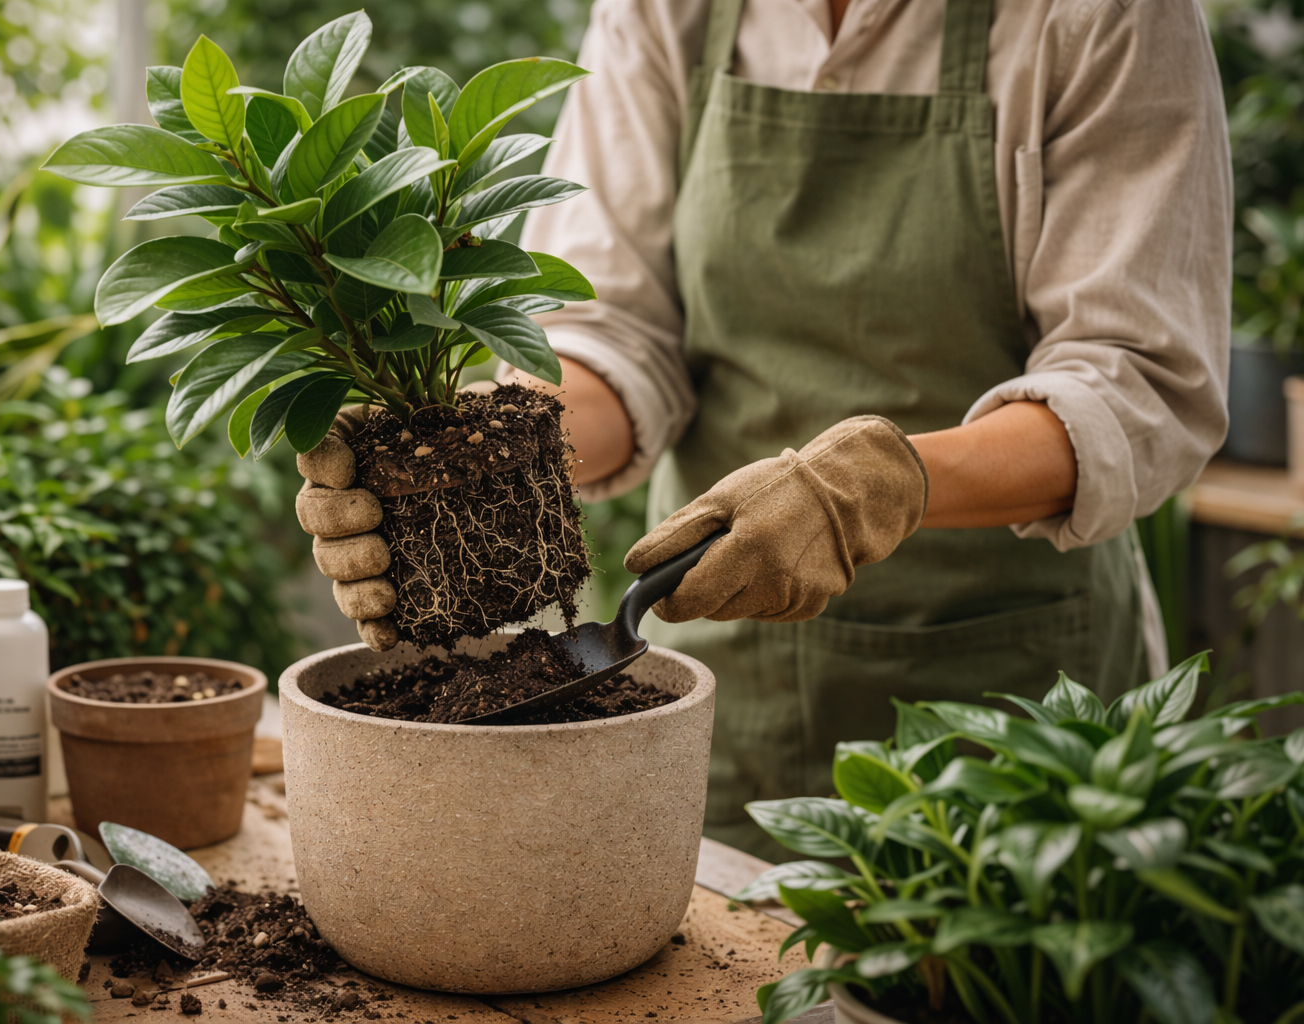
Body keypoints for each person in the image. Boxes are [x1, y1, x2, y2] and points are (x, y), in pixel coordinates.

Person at [308, 0, 1234, 862]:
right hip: (714, 658)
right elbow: (615, 325)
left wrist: (870, 486)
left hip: (1010, 679)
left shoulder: (1100, 16)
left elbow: (1137, 381)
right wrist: (485, 465)